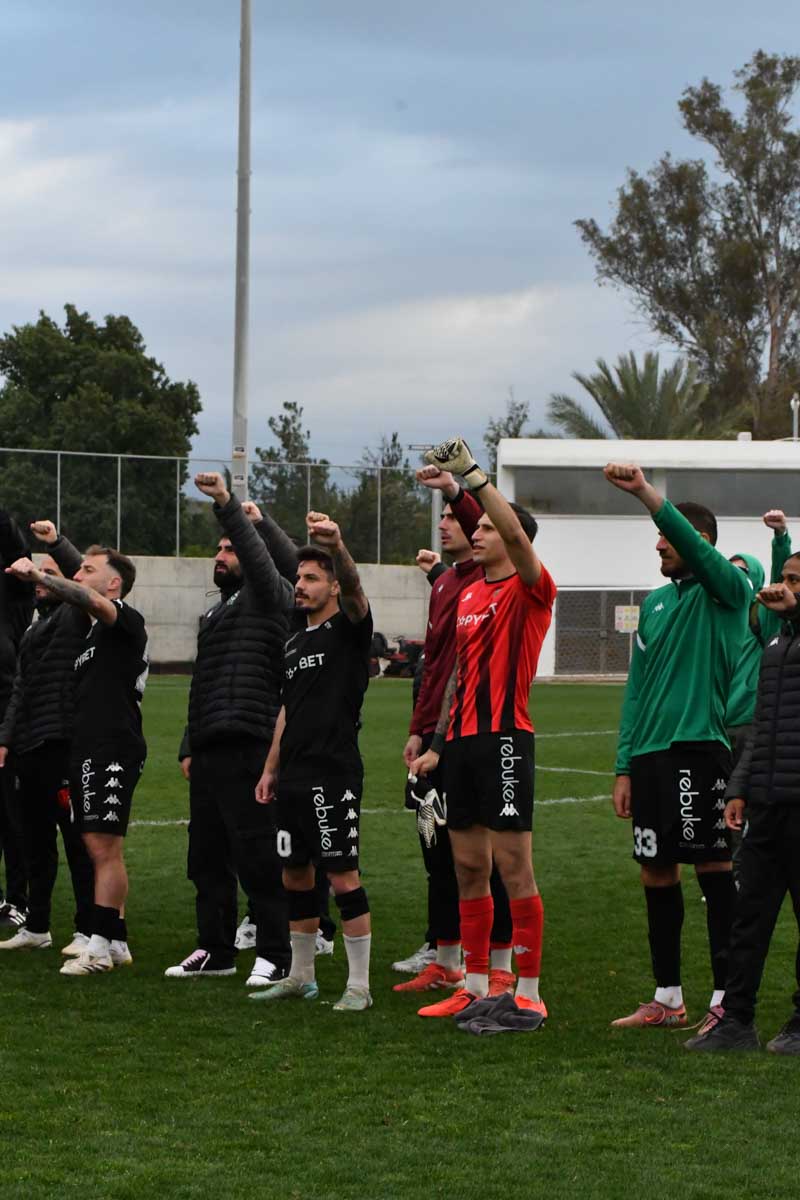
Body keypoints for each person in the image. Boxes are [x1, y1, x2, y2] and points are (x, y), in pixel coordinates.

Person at [409, 437, 556, 1029]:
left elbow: (515, 533)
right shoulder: (468, 591)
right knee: (468, 867)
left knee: (514, 869)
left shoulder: (531, 586)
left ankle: (528, 991)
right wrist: (437, 746)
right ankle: (472, 987)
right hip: (463, 747)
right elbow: (458, 676)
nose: (478, 533)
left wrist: (470, 476)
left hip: (505, 742)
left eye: (488, 529)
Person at [605, 464, 750, 1029]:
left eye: (666, 536)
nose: (659, 545)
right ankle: (667, 997)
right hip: (650, 758)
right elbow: (636, 690)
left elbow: (702, 555)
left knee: (714, 868)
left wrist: (647, 494)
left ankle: (725, 999)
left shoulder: (728, 591)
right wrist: (625, 766)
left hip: (700, 748)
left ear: (698, 541)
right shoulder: (655, 604)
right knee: (656, 871)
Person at [166, 474, 295, 985]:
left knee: (258, 855)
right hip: (211, 745)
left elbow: (260, 559)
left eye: (230, 548)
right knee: (206, 857)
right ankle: (215, 949)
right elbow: (202, 683)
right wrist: (190, 743)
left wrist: (227, 505)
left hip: (250, 741)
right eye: (217, 549)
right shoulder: (214, 613)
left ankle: (275, 953)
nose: (220, 556)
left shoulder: (270, 595)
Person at [396, 465, 515, 996]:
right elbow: (437, 664)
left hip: (475, 736)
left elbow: (463, 671)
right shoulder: (448, 583)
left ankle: (493, 963)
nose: (445, 523)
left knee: (484, 857)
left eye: (455, 517)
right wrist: (419, 728)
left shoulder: (488, 580)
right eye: (444, 516)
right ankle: (443, 952)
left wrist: (454, 486)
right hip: (435, 733)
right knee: (435, 847)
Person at [5, 544, 148, 976]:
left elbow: (87, 598)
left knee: (103, 850)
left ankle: (98, 945)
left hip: (113, 748)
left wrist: (40, 575)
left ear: (114, 583)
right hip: (90, 749)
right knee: (99, 848)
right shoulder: (91, 637)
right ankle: (114, 940)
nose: (78, 575)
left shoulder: (124, 618)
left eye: (87, 569)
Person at [251, 512, 374, 1012]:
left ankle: (359, 986)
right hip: (294, 777)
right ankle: (301, 976)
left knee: (342, 876)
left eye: (311, 578)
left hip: (333, 772)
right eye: (298, 578)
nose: (300, 586)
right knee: (294, 876)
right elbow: (287, 708)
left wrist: (338, 547)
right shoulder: (294, 639)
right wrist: (270, 767)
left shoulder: (350, 629)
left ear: (332, 585)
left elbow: (357, 589)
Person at [685, 564, 800, 1053]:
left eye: (797, 580)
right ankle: (736, 1021)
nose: (785, 586)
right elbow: (761, 726)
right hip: (767, 807)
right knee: (748, 917)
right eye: (784, 577)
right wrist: (739, 787)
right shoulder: (774, 648)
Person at [0, 521, 94, 952]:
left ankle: (87, 928)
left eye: (48, 575)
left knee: (77, 843)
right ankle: (36, 926)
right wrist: (6, 740)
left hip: (65, 745)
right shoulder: (33, 630)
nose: (39, 579)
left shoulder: (78, 618)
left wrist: (56, 545)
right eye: (38, 574)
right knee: (35, 841)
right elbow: (19, 691)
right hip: (29, 747)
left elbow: (84, 581)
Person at [0, 506, 34, 928]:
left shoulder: (13, 595)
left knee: (11, 814)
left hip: (6, 719)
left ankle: (18, 899)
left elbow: (13, 546)